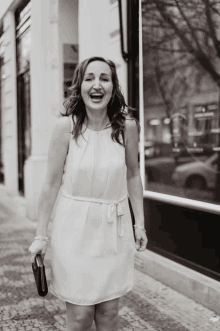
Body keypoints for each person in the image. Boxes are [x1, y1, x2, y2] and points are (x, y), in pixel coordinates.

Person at [29, 56, 148, 331]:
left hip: (114, 230)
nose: (97, 85)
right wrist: (40, 235)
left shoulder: (126, 127)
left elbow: (133, 174)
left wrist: (139, 223)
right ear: (80, 86)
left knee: (109, 315)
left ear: (113, 87)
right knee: (80, 317)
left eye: (104, 78)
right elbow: (50, 184)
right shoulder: (66, 128)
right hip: (73, 230)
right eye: (89, 78)